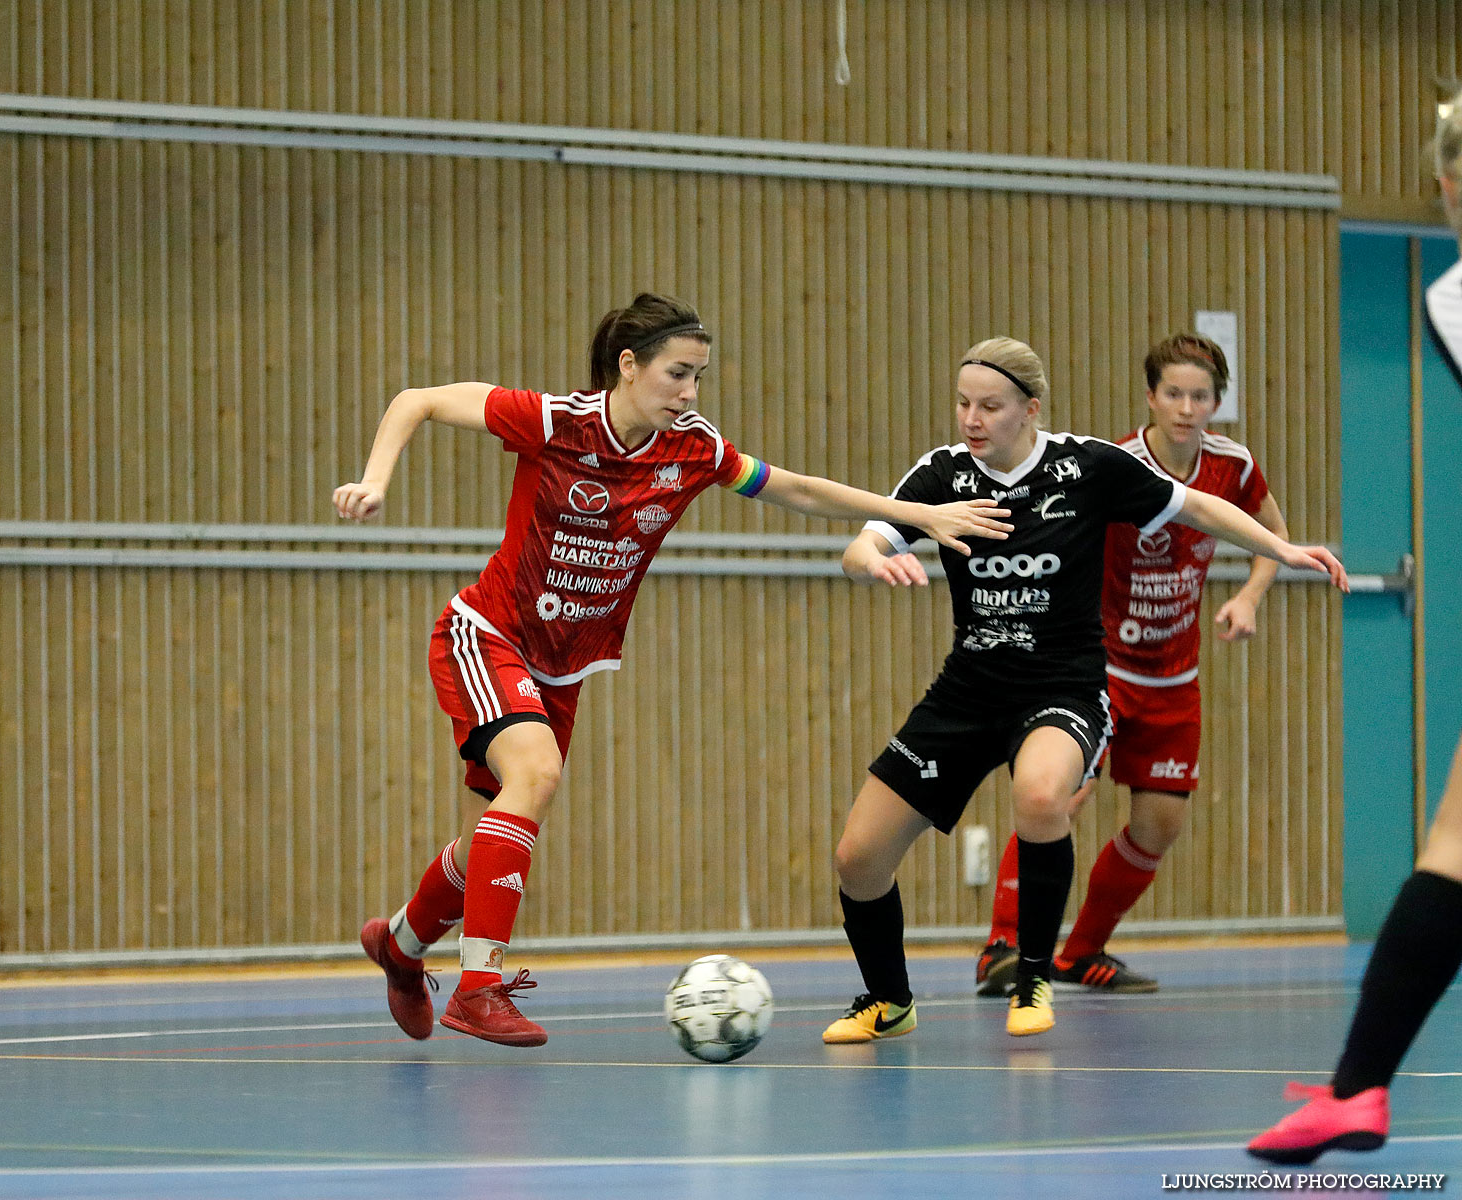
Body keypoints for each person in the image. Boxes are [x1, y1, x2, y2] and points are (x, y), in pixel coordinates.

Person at [334, 293, 1013, 1048]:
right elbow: (417, 400)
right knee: (537, 775)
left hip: (563, 671)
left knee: (491, 840)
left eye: (699, 378)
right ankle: (479, 987)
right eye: (677, 374)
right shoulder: (555, 420)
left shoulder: (692, 449)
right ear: (628, 366)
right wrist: (376, 480)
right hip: (488, 635)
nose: (689, 393)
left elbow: (794, 487)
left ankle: (398, 947)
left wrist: (916, 516)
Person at [822, 337, 1346, 1044]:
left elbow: (1197, 507)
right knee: (858, 857)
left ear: (1030, 409)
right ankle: (889, 1000)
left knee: (1042, 794)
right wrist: (870, 562)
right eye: (963, 403)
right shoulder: (943, 474)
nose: (972, 419)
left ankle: (1033, 975)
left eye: (990, 406)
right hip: (966, 690)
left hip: (1062, 685)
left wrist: (1279, 551)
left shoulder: (1090, 466)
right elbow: (868, 540)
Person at [1249, 88, 1462, 1165]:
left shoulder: (1452, 297)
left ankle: (1356, 1089)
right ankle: (1355, 1085)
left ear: (1444, 182)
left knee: (1456, 849)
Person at [973, 332, 1291, 998]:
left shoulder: (1232, 466)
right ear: (1151, 396)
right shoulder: (1117, 464)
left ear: (1216, 403)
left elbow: (1273, 533)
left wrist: (1249, 595)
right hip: (1101, 668)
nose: (1186, 406)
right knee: (1060, 795)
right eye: (1173, 393)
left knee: (1159, 825)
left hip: (1175, 677)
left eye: (1199, 395)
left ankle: (1081, 954)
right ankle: (1003, 946)